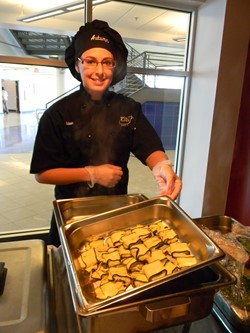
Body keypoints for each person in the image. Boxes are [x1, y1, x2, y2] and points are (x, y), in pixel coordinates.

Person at [30, 20, 182, 247]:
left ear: (114, 66)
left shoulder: (128, 108)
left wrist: (163, 168)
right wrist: (91, 173)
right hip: (72, 216)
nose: (99, 71)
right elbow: (43, 173)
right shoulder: (57, 114)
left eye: (107, 62)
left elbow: (151, 148)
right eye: (90, 61)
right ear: (77, 66)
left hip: (116, 211)